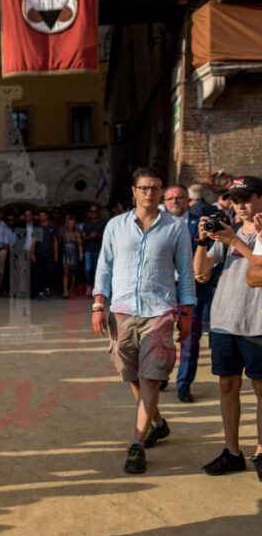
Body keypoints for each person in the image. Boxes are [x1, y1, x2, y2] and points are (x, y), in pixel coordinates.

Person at [92, 168, 195, 475]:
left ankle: (137, 443)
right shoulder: (115, 226)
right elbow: (104, 266)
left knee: (150, 376)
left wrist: (186, 312)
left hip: (159, 311)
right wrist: (98, 304)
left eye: (155, 188)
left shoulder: (175, 228)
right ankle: (158, 422)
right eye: (145, 188)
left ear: (161, 192)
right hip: (122, 310)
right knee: (133, 375)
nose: (150, 193)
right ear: (134, 191)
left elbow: (185, 272)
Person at [193, 176, 262, 480]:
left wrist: (234, 241)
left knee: (261, 390)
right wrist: (202, 241)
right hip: (224, 319)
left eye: (246, 199)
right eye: (235, 201)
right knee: (227, 386)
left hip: (257, 322)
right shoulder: (228, 231)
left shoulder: (244, 234)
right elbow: (201, 272)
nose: (240, 206)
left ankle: (261, 452)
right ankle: (232, 452)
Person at [163, 184, 218, 402]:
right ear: (165, 203)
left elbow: (215, 253)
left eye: (179, 197)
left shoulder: (201, 223)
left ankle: (184, 385)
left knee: (190, 340)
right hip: (164, 290)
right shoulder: (156, 225)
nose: (175, 201)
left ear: (188, 200)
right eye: (170, 199)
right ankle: (161, 375)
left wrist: (208, 273)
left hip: (193, 290)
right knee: (161, 336)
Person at [32, 210, 58, 299]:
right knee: (40, 272)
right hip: (39, 253)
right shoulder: (38, 228)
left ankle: (48, 288)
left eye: (43, 215)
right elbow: (34, 240)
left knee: (50, 271)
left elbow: (55, 241)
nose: (41, 217)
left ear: (47, 216)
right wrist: (32, 253)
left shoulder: (52, 227)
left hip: (49, 253)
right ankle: (40, 290)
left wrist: (56, 253)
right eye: (40, 216)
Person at [80, 204, 106, 296]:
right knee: (88, 270)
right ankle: (89, 286)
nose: (92, 213)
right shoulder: (86, 223)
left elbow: (107, 236)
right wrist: (90, 237)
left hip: (99, 249)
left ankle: (97, 287)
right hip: (88, 249)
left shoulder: (103, 223)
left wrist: (97, 235)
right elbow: (83, 237)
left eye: (94, 211)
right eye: (91, 212)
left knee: (97, 270)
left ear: (98, 212)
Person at [59, 215, 83, 298]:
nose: (70, 225)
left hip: (73, 254)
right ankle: (65, 291)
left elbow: (79, 245)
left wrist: (80, 254)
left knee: (72, 272)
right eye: (69, 223)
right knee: (65, 272)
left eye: (72, 224)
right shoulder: (64, 233)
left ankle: (71, 289)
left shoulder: (76, 234)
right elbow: (58, 241)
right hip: (65, 254)